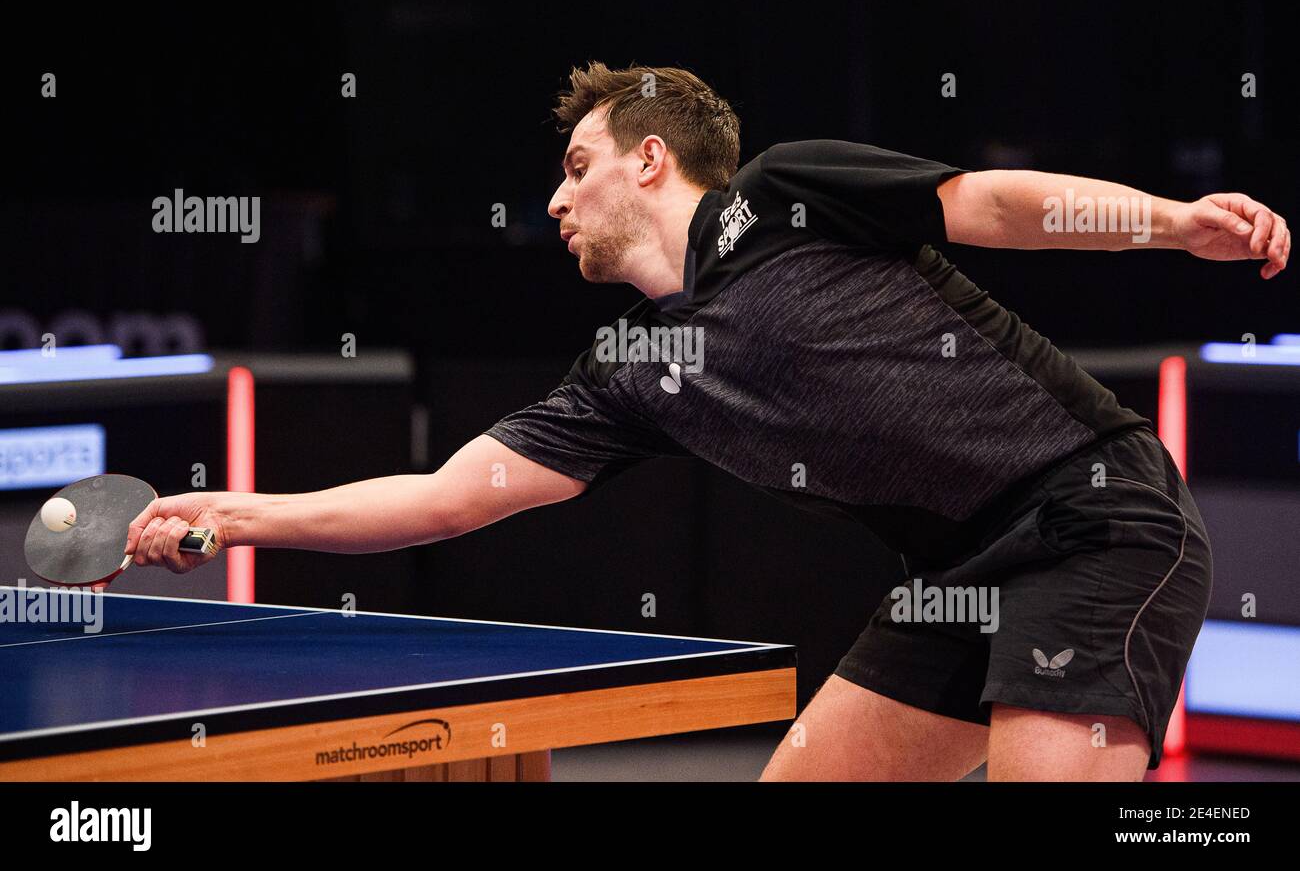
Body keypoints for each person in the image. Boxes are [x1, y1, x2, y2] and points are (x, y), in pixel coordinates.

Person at [125, 62, 1290, 781]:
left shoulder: (785, 192)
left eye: (573, 166)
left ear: (647, 156)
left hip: (1091, 522)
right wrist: (233, 513)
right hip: (955, 578)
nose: (553, 198)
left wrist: (1169, 222)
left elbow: (985, 203)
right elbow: (447, 495)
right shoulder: (630, 369)